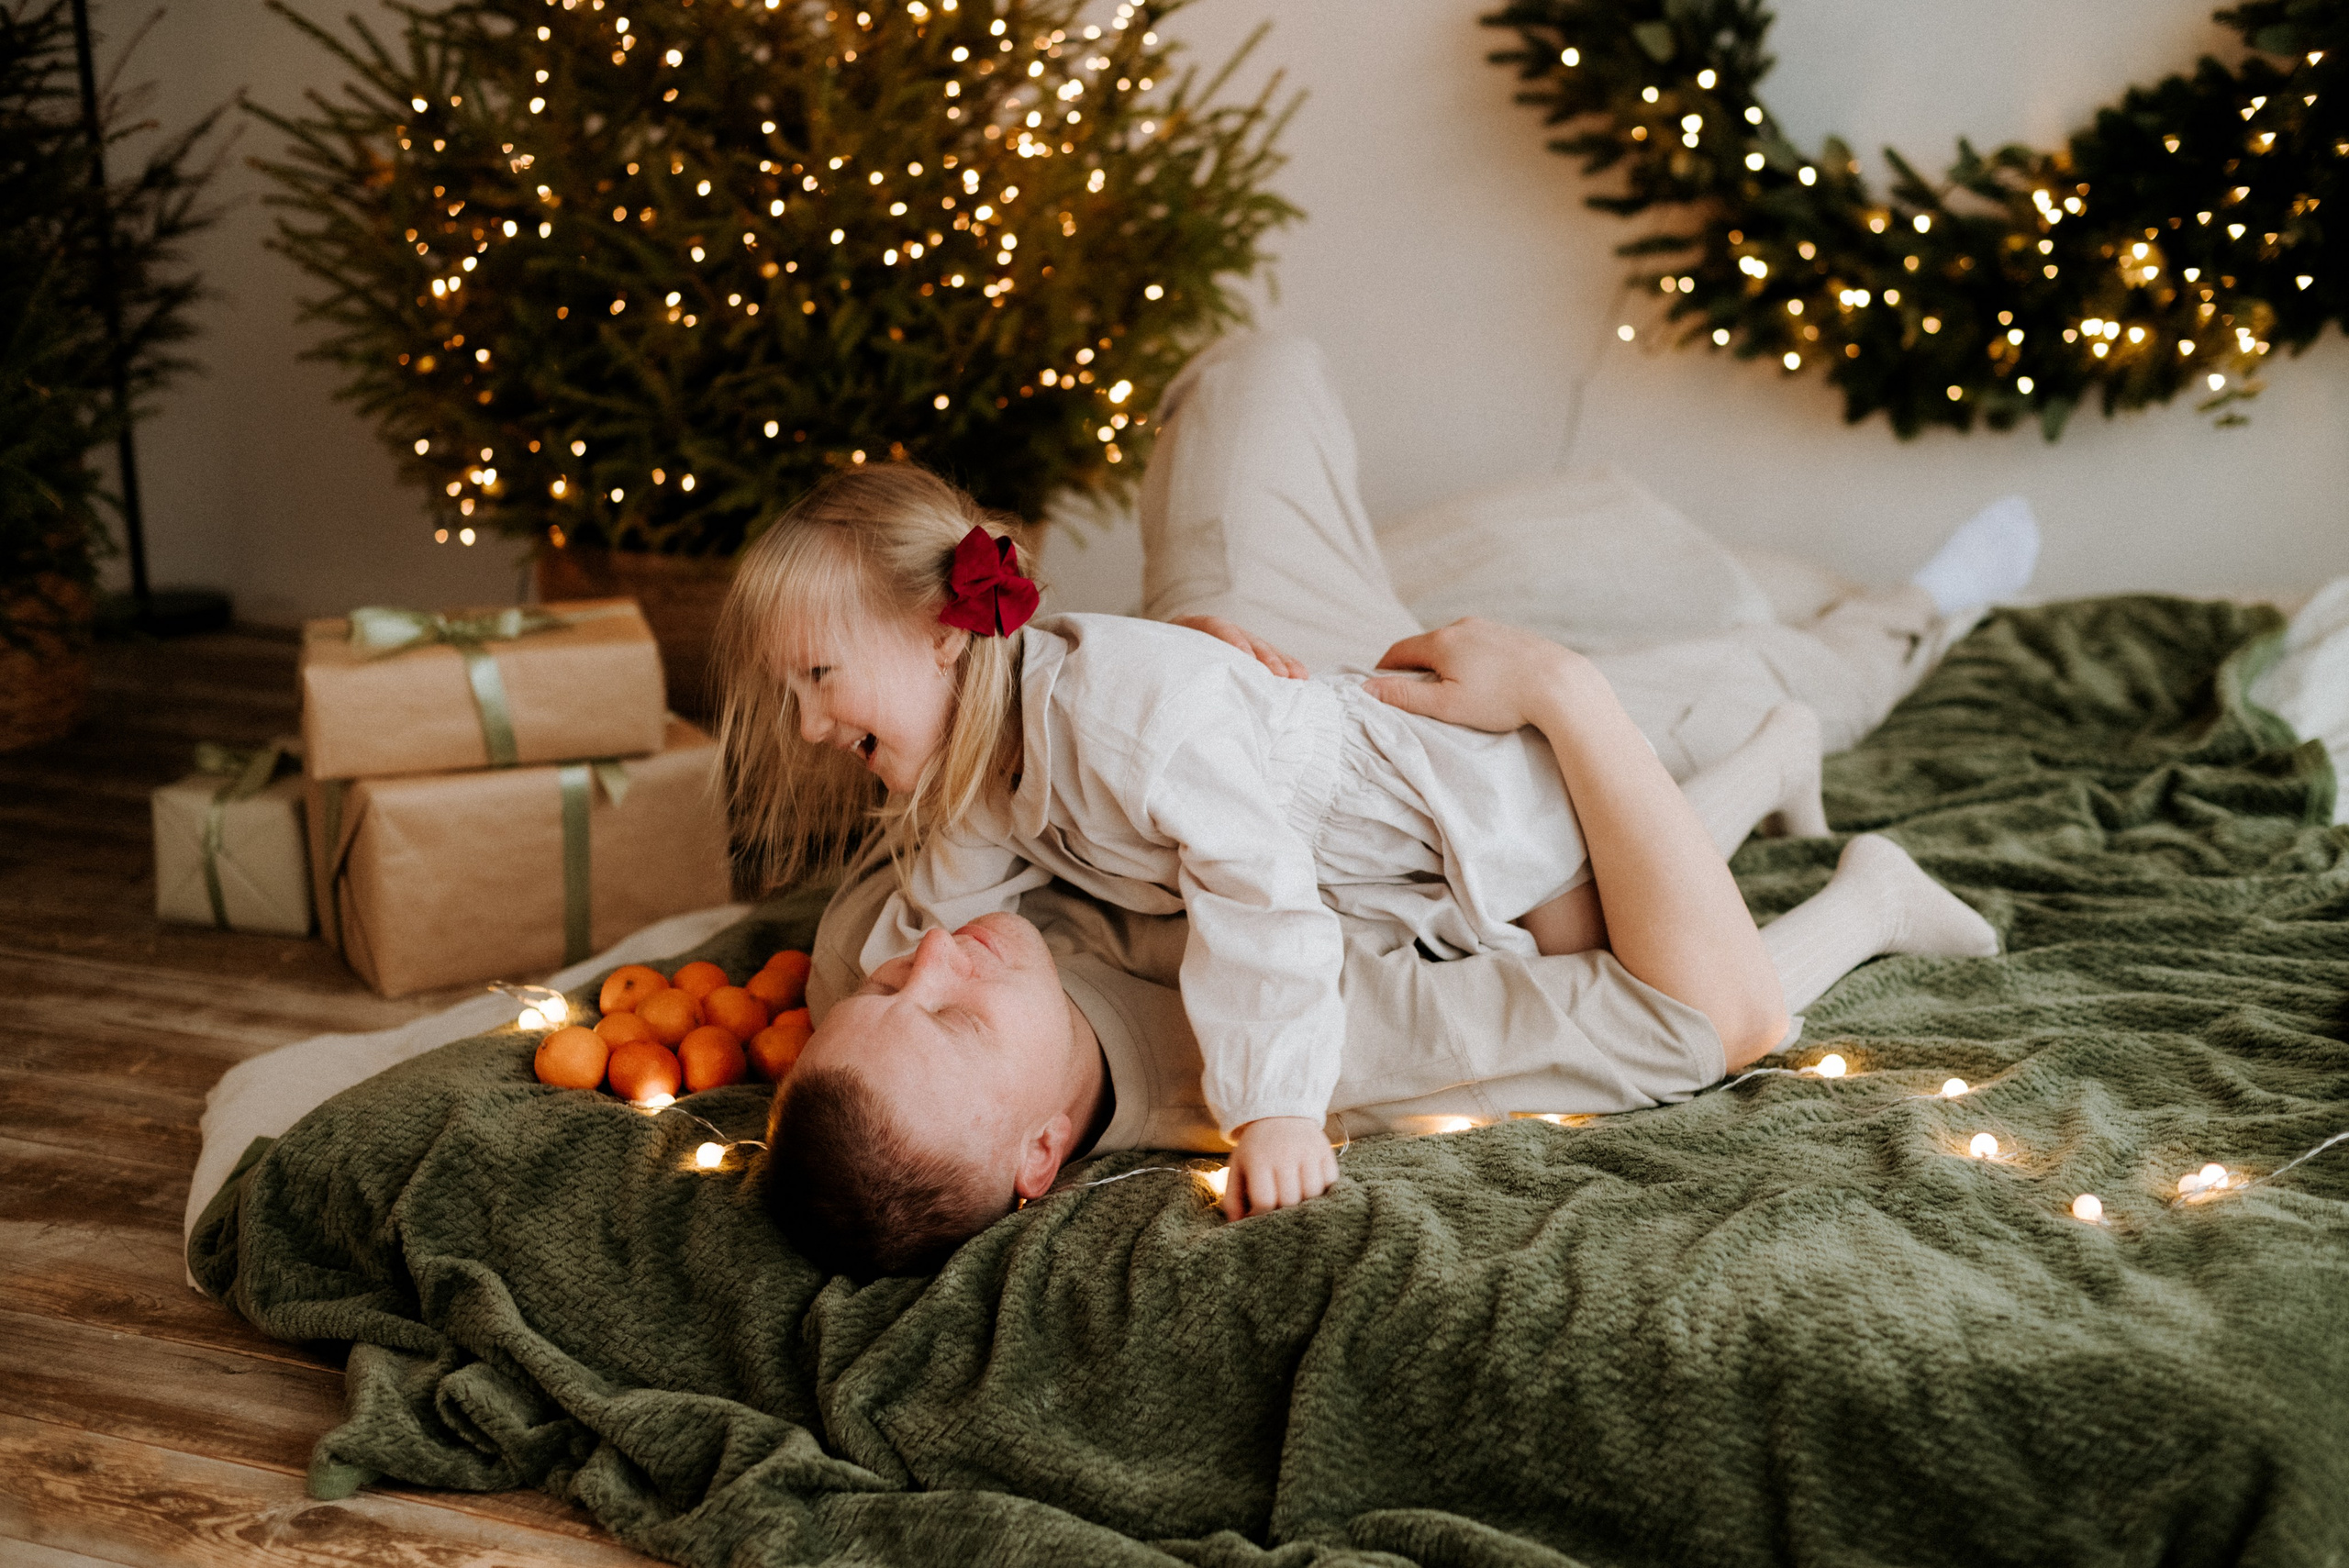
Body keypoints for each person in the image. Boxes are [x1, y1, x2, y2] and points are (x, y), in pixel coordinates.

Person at [715, 464, 1838, 1235]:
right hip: (1366, 860)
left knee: (1621, 950)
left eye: (823, 679)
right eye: (794, 689)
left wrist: (1276, 1107)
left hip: (1465, 804)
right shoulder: (975, 760)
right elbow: (934, 898)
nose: (811, 726)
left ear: (944, 633)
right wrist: (858, 1010)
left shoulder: (1119, 731)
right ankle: (1776, 756)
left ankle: (1778, 751)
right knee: (1642, 938)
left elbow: (1263, 908)